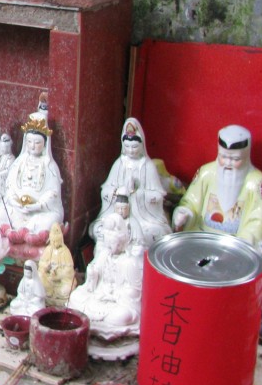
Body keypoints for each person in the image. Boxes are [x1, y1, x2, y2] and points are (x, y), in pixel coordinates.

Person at [172, 124, 262, 246]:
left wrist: (245, 240)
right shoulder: (206, 173)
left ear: (245, 157)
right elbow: (191, 202)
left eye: (235, 159)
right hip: (201, 237)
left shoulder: (257, 183)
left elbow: (259, 221)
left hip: (234, 244)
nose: (228, 163)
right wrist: (184, 214)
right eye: (223, 157)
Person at [89, 118, 170, 248]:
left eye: (134, 146)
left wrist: (137, 193)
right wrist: (118, 192)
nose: (131, 150)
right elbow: (106, 189)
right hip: (118, 215)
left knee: (154, 234)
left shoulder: (147, 166)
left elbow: (158, 195)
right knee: (98, 229)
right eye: (127, 146)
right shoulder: (119, 164)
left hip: (142, 219)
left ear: (142, 145)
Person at [68, 213, 143, 349]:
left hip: (117, 303)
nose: (109, 248)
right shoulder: (104, 255)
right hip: (99, 297)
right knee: (75, 296)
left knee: (121, 316)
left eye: (112, 244)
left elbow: (134, 293)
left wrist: (112, 296)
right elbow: (93, 281)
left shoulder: (129, 262)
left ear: (121, 241)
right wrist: (92, 275)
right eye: (107, 244)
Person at [0, 114, 64, 244]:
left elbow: (53, 193)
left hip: (40, 213)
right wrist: (14, 201)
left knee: (50, 222)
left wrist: (37, 205)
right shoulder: (19, 162)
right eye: (29, 142)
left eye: (37, 143)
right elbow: (10, 185)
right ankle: (21, 233)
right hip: (18, 209)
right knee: (0, 212)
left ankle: (24, 234)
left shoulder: (50, 165)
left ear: (45, 143)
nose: (32, 146)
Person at [38, 223, 76, 307]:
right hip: (49, 279)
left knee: (66, 290)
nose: (54, 243)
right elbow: (41, 264)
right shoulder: (48, 250)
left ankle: (55, 295)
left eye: (56, 241)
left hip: (62, 280)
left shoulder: (65, 251)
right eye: (53, 241)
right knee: (40, 278)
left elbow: (69, 270)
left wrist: (58, 275)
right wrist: (46, 267)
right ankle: (48, 292)